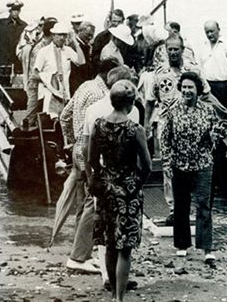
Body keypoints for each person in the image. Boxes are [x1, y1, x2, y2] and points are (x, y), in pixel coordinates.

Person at [56, 59, 124, 274]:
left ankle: (82, 252)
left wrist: (70, 141)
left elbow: (64, 116)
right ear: (108, 75)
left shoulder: (85, 86)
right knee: (91, 204)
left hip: (78, 149)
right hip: (90, 152)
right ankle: (78, 256)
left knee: (82, 203)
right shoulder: (101, 97)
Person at [86, 80, 152, 302]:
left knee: (109, 242)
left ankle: (112, 291)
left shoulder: (99, 125)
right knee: (125, 246)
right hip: (128, 188)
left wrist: (99, 179)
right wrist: (137, 182)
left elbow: (91, 160)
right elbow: (147, 165)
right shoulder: (135, 130)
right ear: (131, 104)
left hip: (106, 187)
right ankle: (119, 298)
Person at [142, 35, 217, 225]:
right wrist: (147, 125)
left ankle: (192, 207)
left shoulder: (193, 71)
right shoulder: (158, 74)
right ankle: (174, 209)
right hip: (167, 126)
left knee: (195, 167)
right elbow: (150, 102)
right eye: (170, 49)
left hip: (193, 127)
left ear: (183, 49)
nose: (173, 52)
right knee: (169, 167)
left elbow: (207, 95)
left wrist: (213, 119)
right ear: (166, 50)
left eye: (176, 49)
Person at [161, 71, 227, 264]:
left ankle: (207, 248)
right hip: (179, 163)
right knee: (181, 205)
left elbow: (217, 131)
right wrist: (167, 162)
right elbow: (165, 138)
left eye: (191, 87)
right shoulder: (173, 110)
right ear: (181, 89)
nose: (188, 91)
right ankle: (182, 245)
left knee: (204, 205)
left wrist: (217, 134)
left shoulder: (208, 110)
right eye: (185, 87)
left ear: (198, 90)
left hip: (203, 163)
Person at [29, 23, 84, 123]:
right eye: (59, 35)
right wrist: (51, 80)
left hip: (64, 93)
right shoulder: (43, 52)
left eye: (64, 35)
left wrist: (76, 43)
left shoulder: (68, 50)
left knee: (64, 121)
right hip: (48, 93)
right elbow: (34, 74)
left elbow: (81, 62)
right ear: (53, 35)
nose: (62, 38)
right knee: (51, 121)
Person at [199, 20, 227, 108]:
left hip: (222, 86)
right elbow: (200, 67)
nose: (209, 34)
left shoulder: (226, 46)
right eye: (207, 32)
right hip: (206, 85)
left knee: (221, 111)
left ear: (218, 30)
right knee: (207, 110)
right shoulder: (204, 46)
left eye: (212, 31)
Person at [69, 21, 96, 96]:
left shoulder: (87, 46)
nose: (90, 38)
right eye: (88, 35)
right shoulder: (73, 46)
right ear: (80, 31)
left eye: (92, 36)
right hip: (76, 84)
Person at [17, 17, 44, 89]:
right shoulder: (28, 30)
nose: (42, 27)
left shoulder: (45, 33)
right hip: (26, 53)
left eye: (43, 25)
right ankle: (27, 85)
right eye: (40, 25)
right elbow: (23, 45)